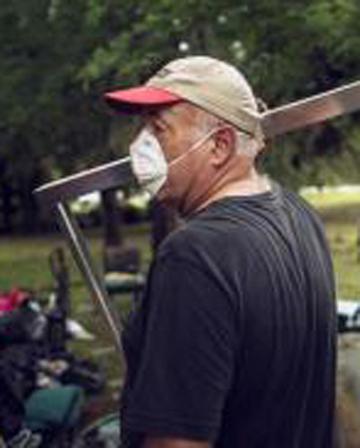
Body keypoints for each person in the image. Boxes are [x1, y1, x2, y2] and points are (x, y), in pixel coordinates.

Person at [104, 56, 337, 448]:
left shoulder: (195, 257)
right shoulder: (300, 214)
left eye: (158, 128)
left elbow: (176, 442)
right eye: (142, 126)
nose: (140, 145)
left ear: (219, 145)